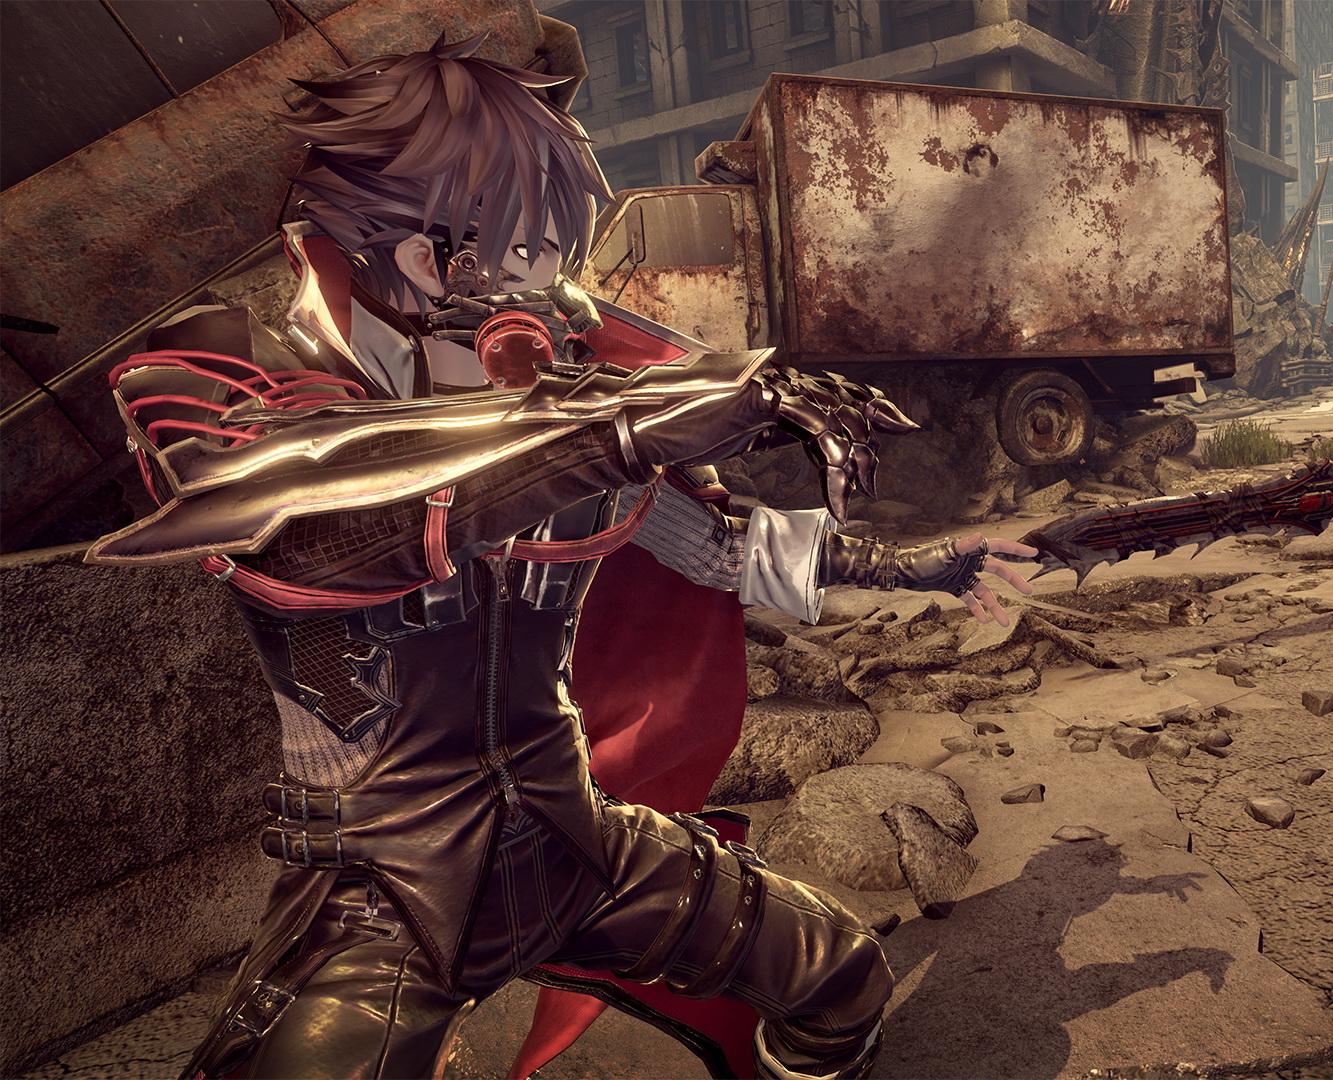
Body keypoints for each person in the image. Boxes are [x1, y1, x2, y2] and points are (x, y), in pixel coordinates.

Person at [85, 37, 1031, 1079]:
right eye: (532, 253)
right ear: (427, 258)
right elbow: (319, 516)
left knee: (842, 979)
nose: (561, 293)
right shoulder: (228, 369)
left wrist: (918, 566)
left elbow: (716, 548)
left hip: (575, 842)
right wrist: (614, 430)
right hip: (384, 892)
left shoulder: (560, 405)